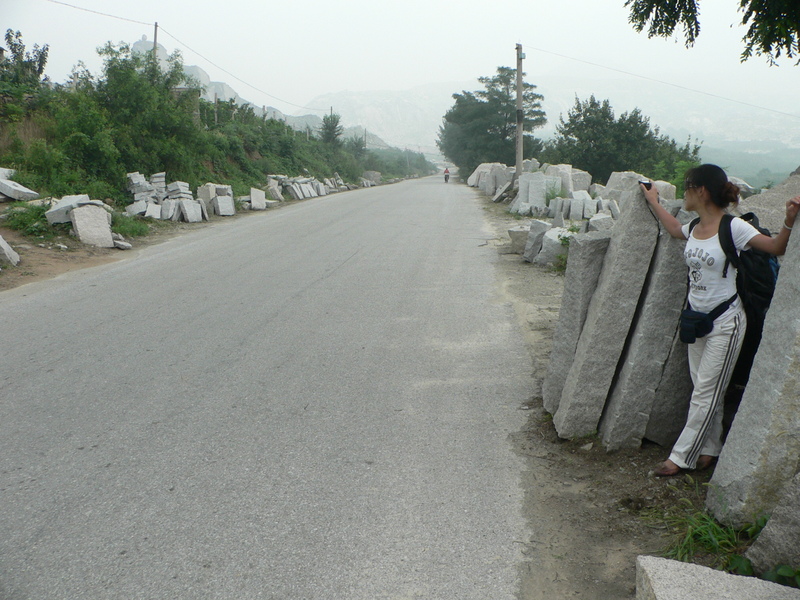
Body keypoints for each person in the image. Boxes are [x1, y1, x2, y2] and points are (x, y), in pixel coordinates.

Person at [641, 164, 800, 477]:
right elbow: (675, 229)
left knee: (705, 393)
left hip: (726, 322)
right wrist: (654, 201)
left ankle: (681, 456)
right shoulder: (696, 226)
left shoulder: (734, 227)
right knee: (704, 388)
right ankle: (711, 449)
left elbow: (774, 248)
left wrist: (789, 221)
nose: (684, 193)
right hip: (696, 320)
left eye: (687, 187)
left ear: (701, 191)